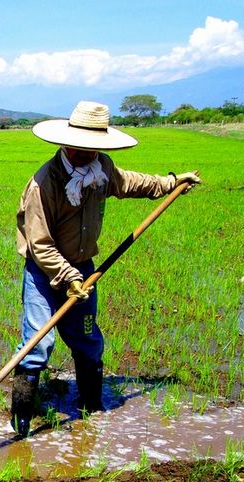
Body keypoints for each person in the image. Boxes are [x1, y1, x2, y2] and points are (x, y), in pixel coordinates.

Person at [10, 101, 200, 437]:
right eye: (81, 147)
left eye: (93, 147)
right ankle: (21, 422)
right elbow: (39, 244)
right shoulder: (45, 184)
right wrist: (68, 277)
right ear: (66, 142)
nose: (87, 152)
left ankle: (91, 407)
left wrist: (171, 182)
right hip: (44, 271)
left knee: (87, 338)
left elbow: (130, 182)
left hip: (84, 268)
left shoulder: (101, 169)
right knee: (37, 342)